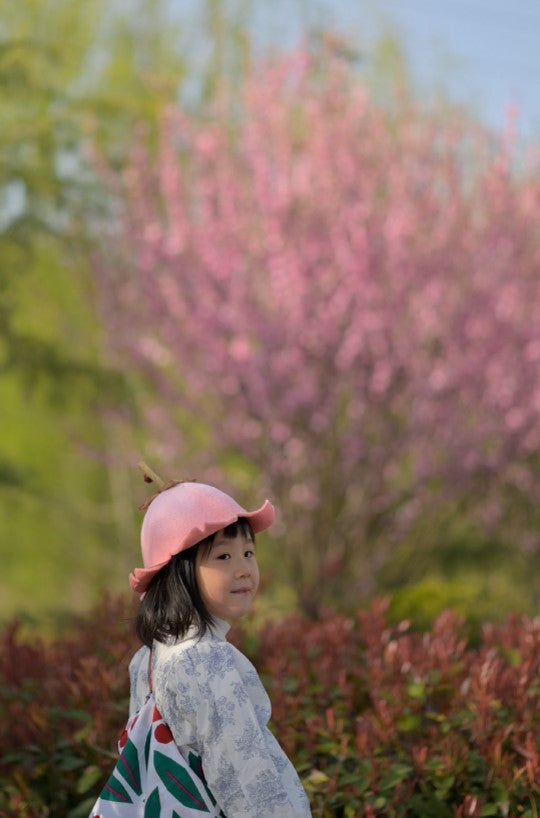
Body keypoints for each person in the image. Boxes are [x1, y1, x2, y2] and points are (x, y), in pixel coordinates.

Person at [106, 471, 311, 817]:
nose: (245, 569)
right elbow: (245, 776)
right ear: (178, 572)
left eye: (248, 552)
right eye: (223, 557)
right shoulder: (208, 661)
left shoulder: (150, 658)